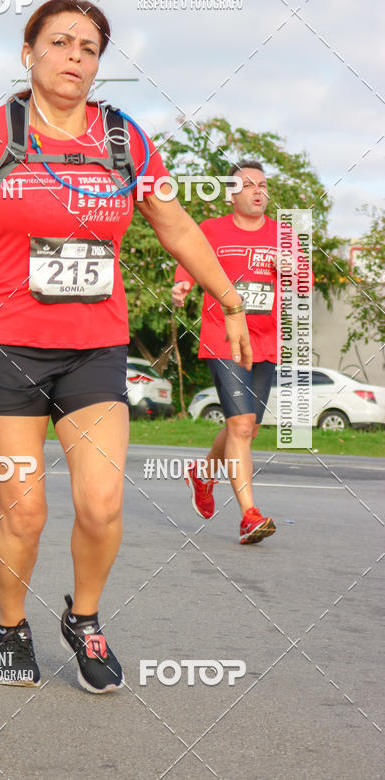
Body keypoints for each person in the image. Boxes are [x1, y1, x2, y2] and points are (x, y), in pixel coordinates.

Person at [0, 0, 252, 694]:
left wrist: (230, 299)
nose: (74, 57)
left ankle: (84, 619)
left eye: (88, 48)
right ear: (28, 53)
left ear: (99, 64)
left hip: (93, 348)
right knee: (24, 512)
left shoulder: (125, 142)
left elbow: (177, 226)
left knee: (101, 505)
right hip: (6, 348)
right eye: (60, 42)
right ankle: (10, 627)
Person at [172, 160, 309, 544]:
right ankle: (249, 514)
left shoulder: (284, 234)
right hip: (223, 336)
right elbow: (190, 260)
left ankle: (203, 473)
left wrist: (290, 269)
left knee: (247, 427)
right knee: (241, 426)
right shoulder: (211, 229)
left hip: (265, 340)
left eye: (262, 184)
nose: (258, 191)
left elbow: (304, 282)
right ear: (231, 193)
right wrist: (182, 285)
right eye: (248, 185)